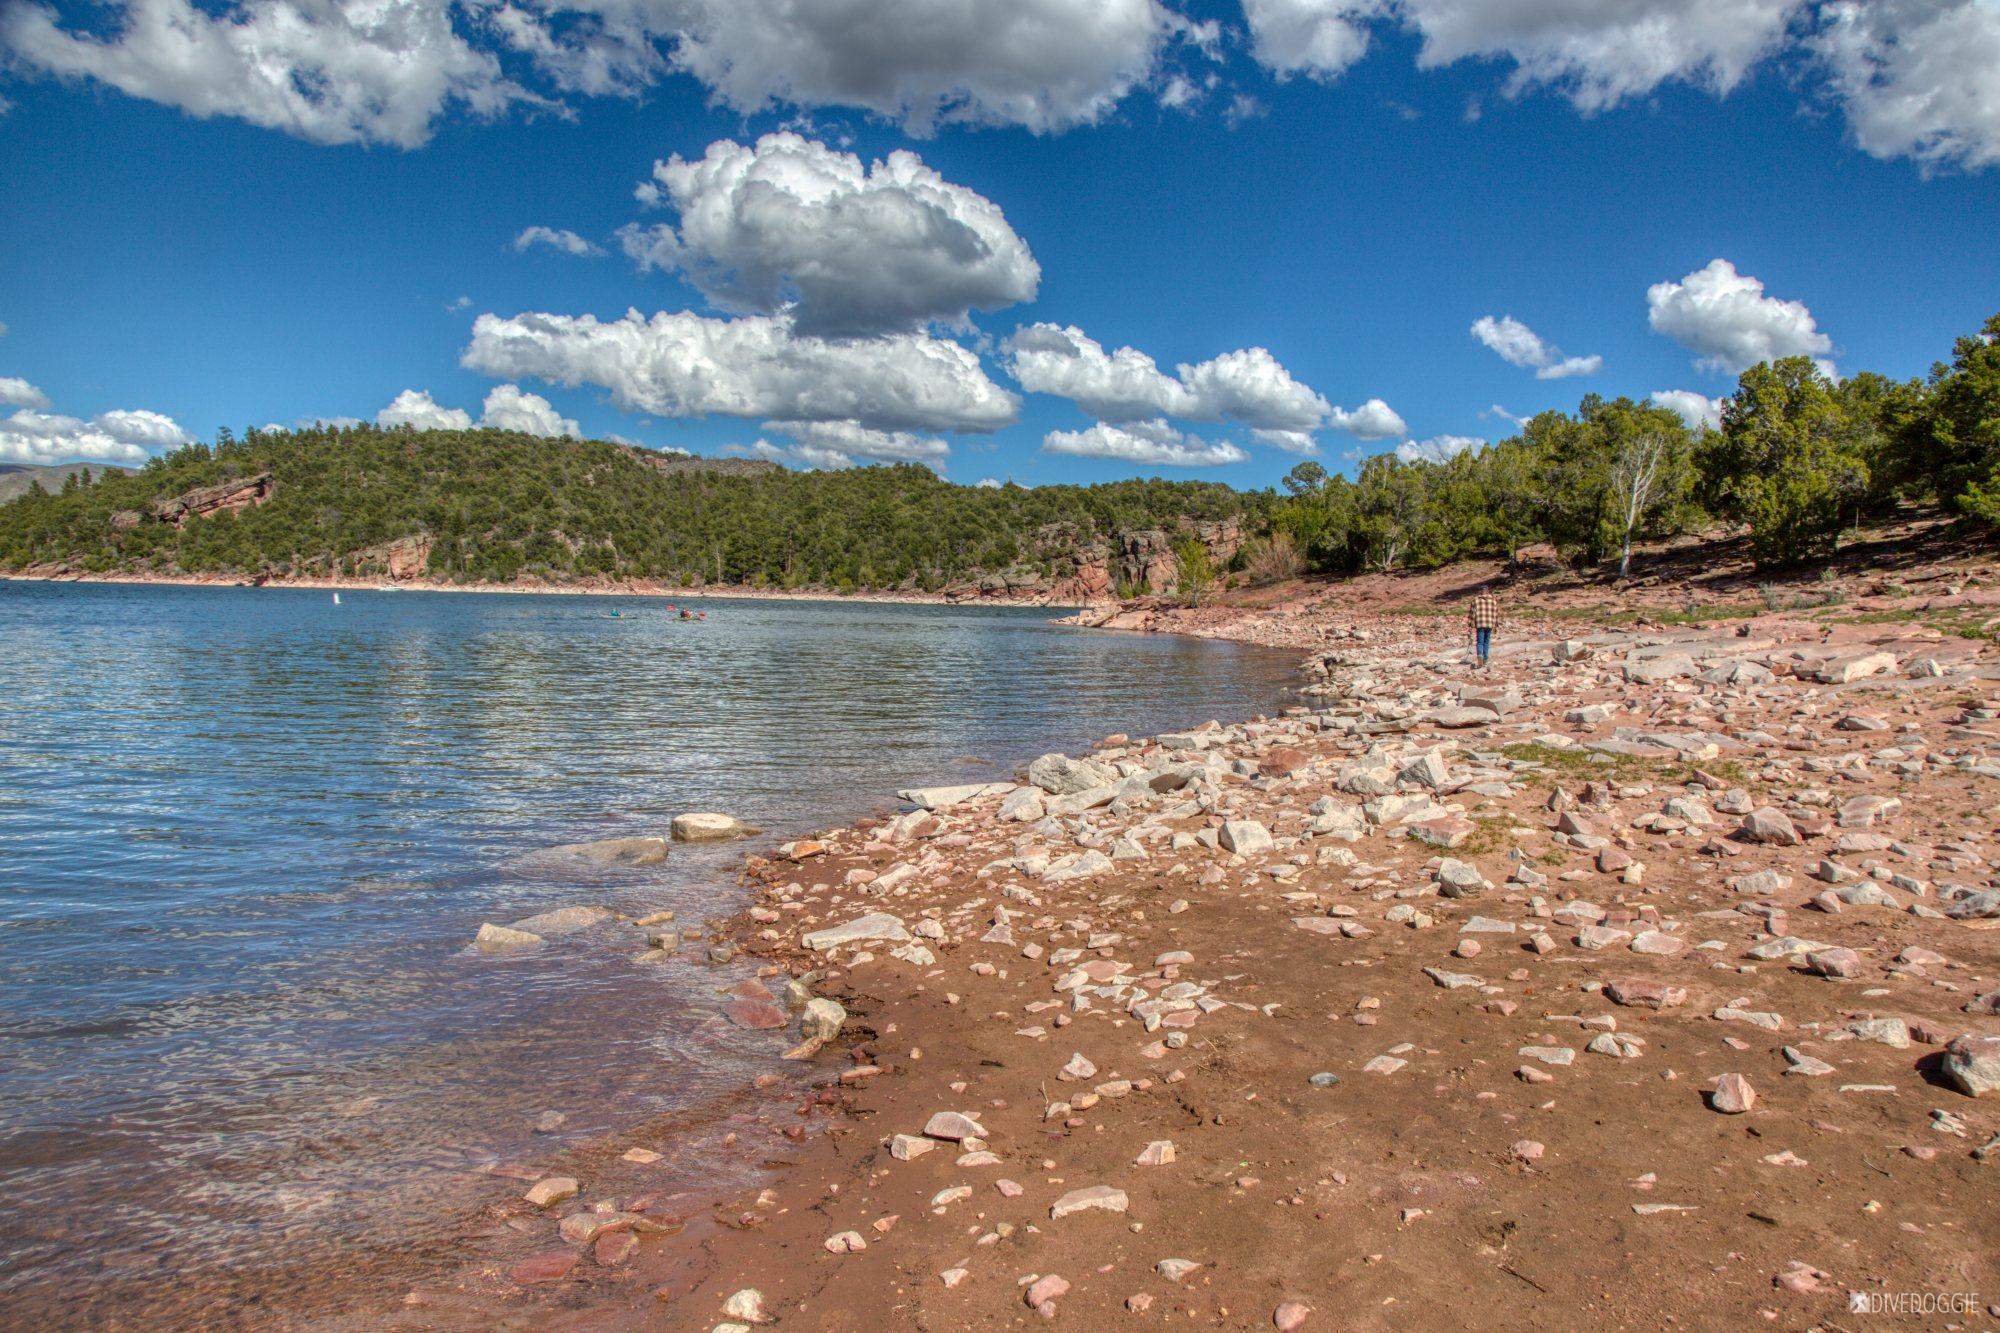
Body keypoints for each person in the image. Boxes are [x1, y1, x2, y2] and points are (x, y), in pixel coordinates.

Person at [1467, 588, 1499, 668]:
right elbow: (1496, 614)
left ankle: (1480, 655)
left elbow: (1472, 613)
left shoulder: (1476, 600)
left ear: (1481, 591)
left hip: (1480, 623)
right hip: (1489, 623)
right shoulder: (1493, 601)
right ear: (1488, 591)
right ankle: (1485, 659)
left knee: (1480, 642)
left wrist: (1470, 624)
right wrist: (1495, 626)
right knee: (1486, 641)